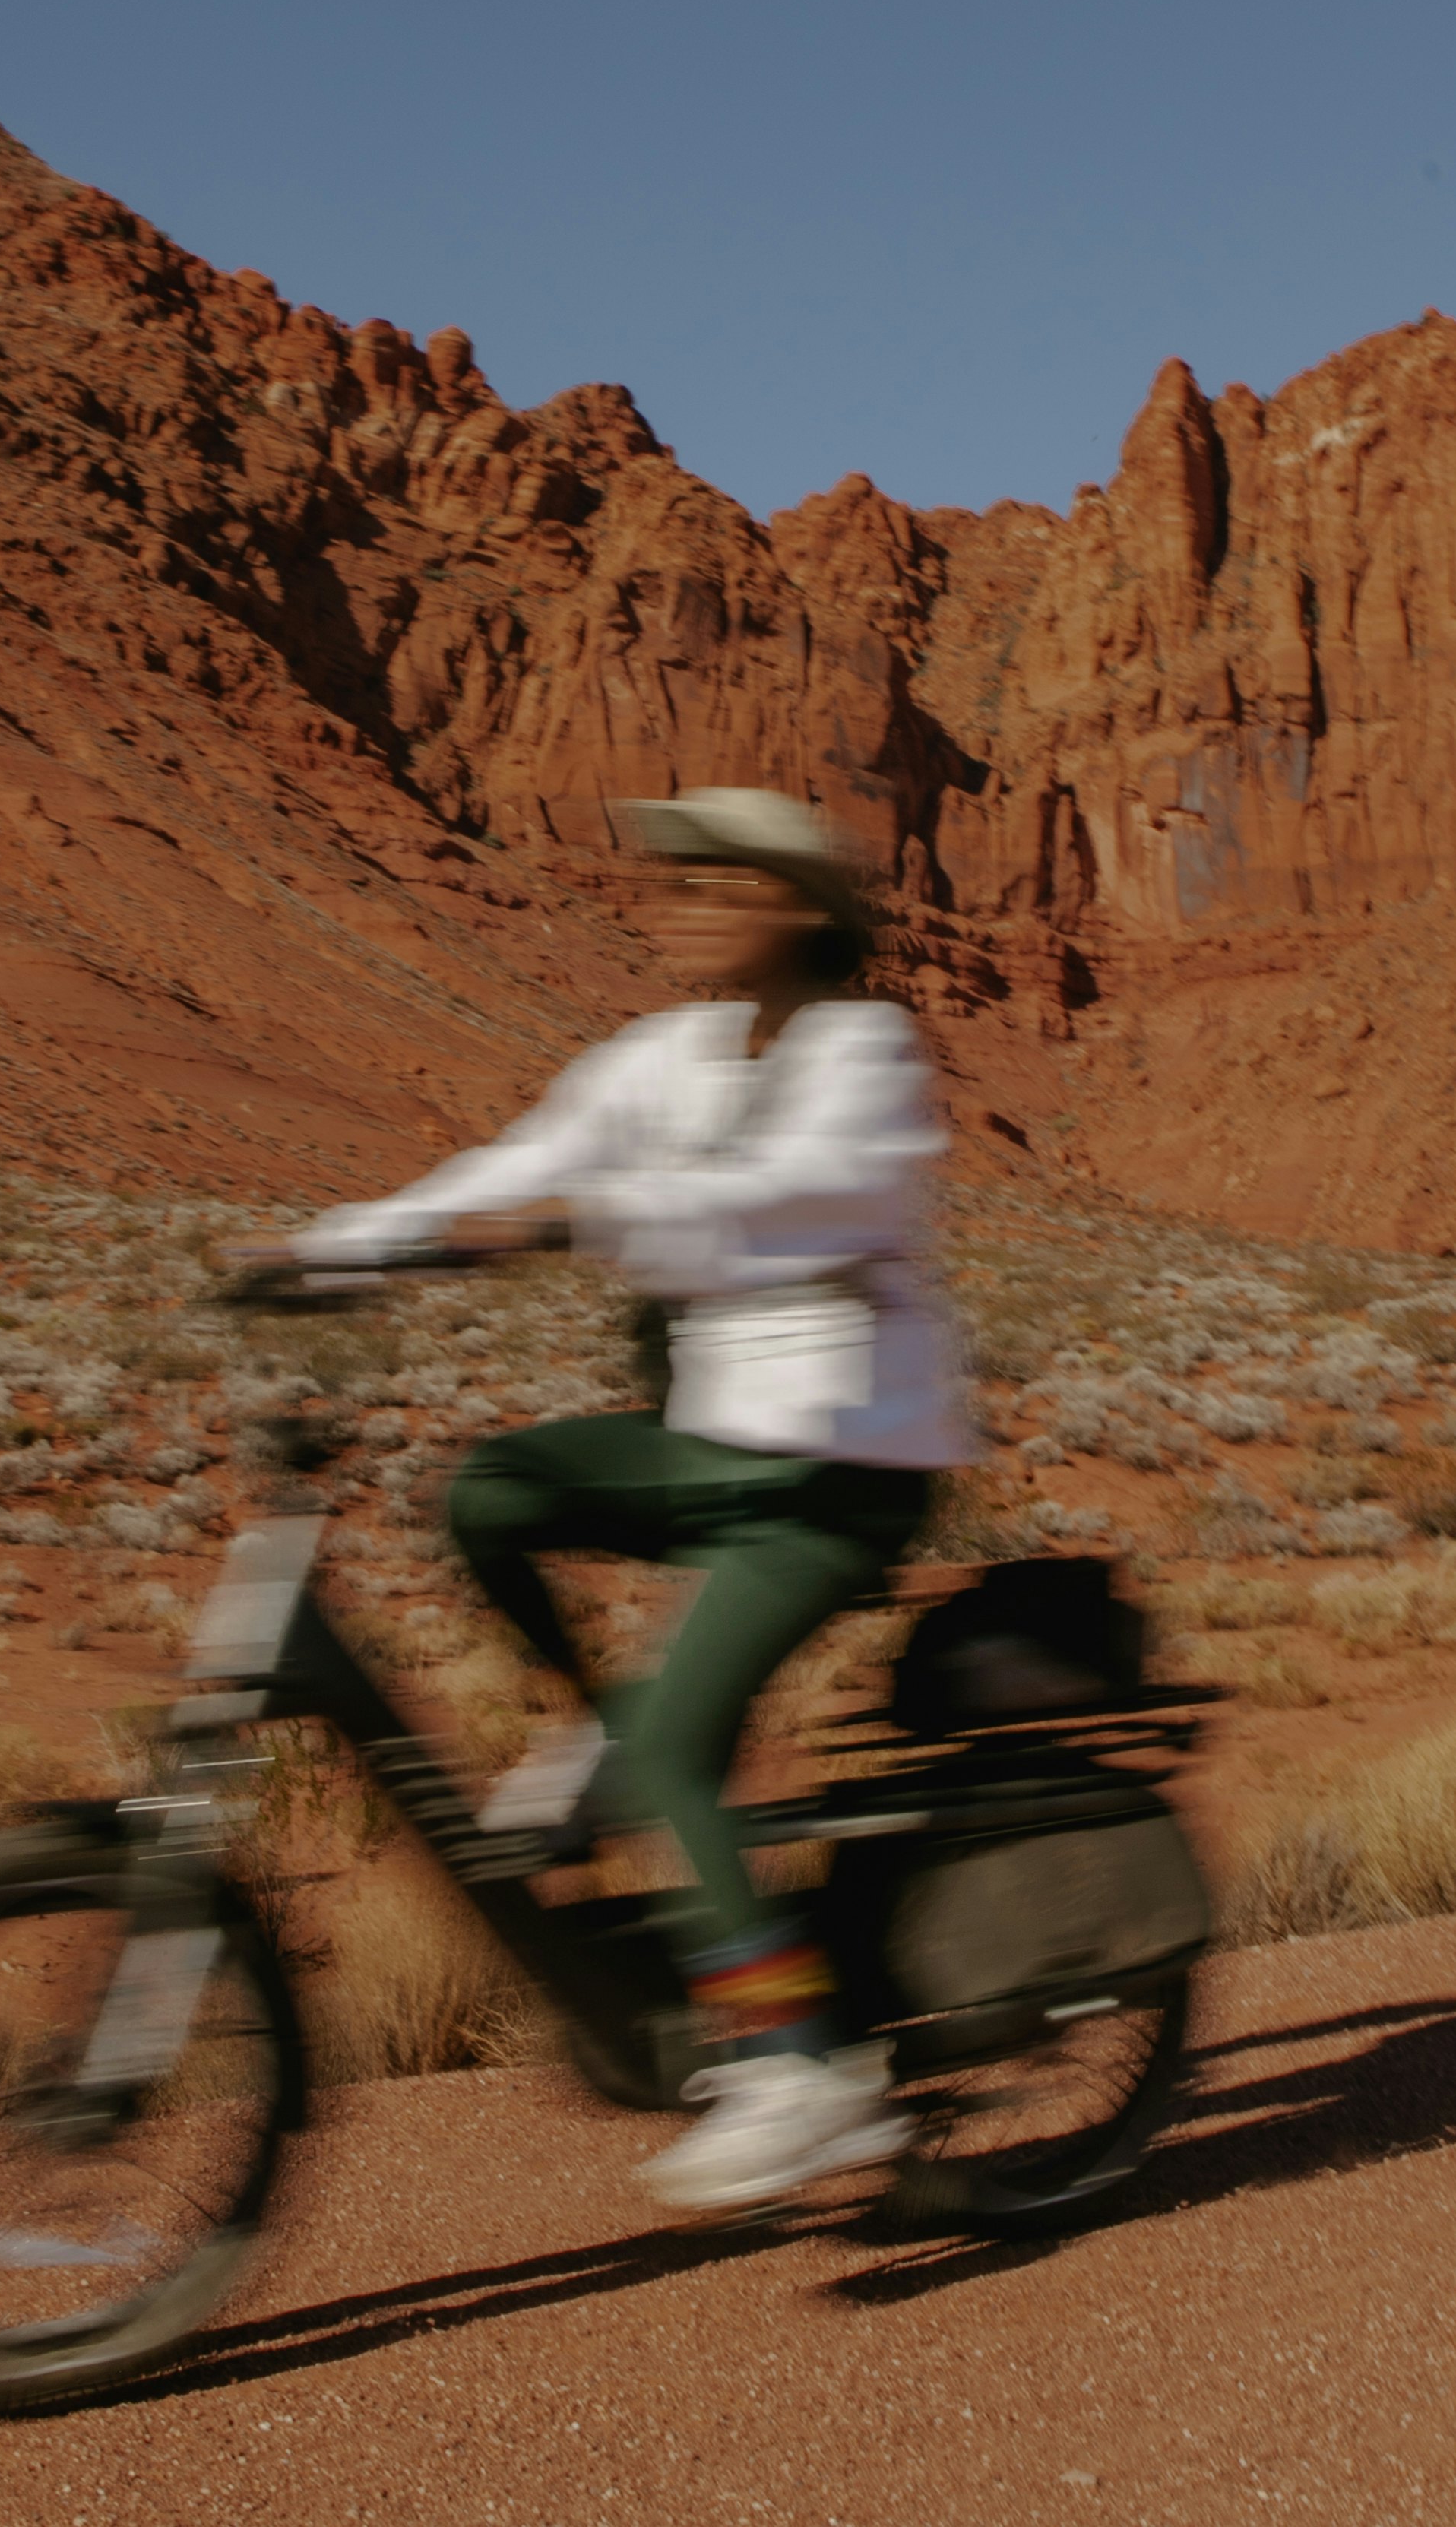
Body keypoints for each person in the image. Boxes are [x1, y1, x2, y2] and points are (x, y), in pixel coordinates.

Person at [267, 788, 972, 2209]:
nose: (676, 900)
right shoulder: (670, 1054)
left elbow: (799, 1200)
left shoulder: (868, 1054)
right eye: (671, 879)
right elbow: (531, 1153)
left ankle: (800, 2073)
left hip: (843, 1476)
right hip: (723, 1446)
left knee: (678, 1760)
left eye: (715, 880)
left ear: (793, 906)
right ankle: (601, 1738)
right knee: (495, 1492)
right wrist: (345, 1246)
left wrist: (576, 1221)